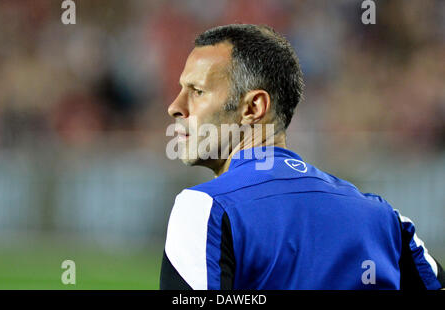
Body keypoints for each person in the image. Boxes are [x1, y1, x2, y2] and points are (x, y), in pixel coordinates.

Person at [160, 24, 444, 290]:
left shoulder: (207, 208)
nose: (175, 106)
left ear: (253, 107)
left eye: (197, 91)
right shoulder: (385, 219)